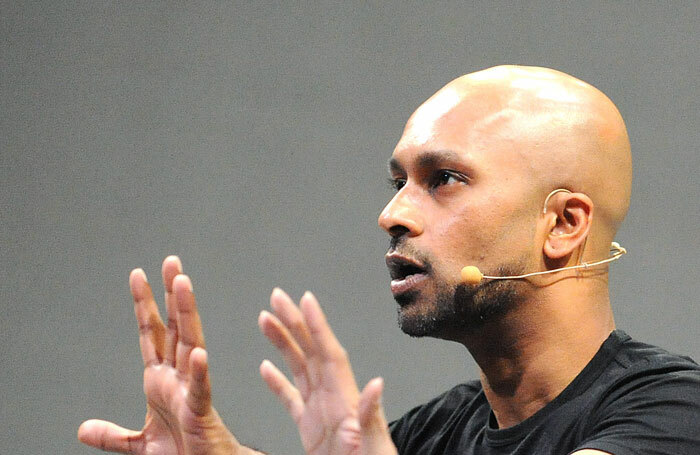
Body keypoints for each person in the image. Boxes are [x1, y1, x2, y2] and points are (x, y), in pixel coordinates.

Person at [78, 66, 700, 454]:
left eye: (444, 179)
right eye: (398, 181)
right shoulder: (433, 433)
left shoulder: (674, 414)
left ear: (563, 225)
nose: (394, 214)